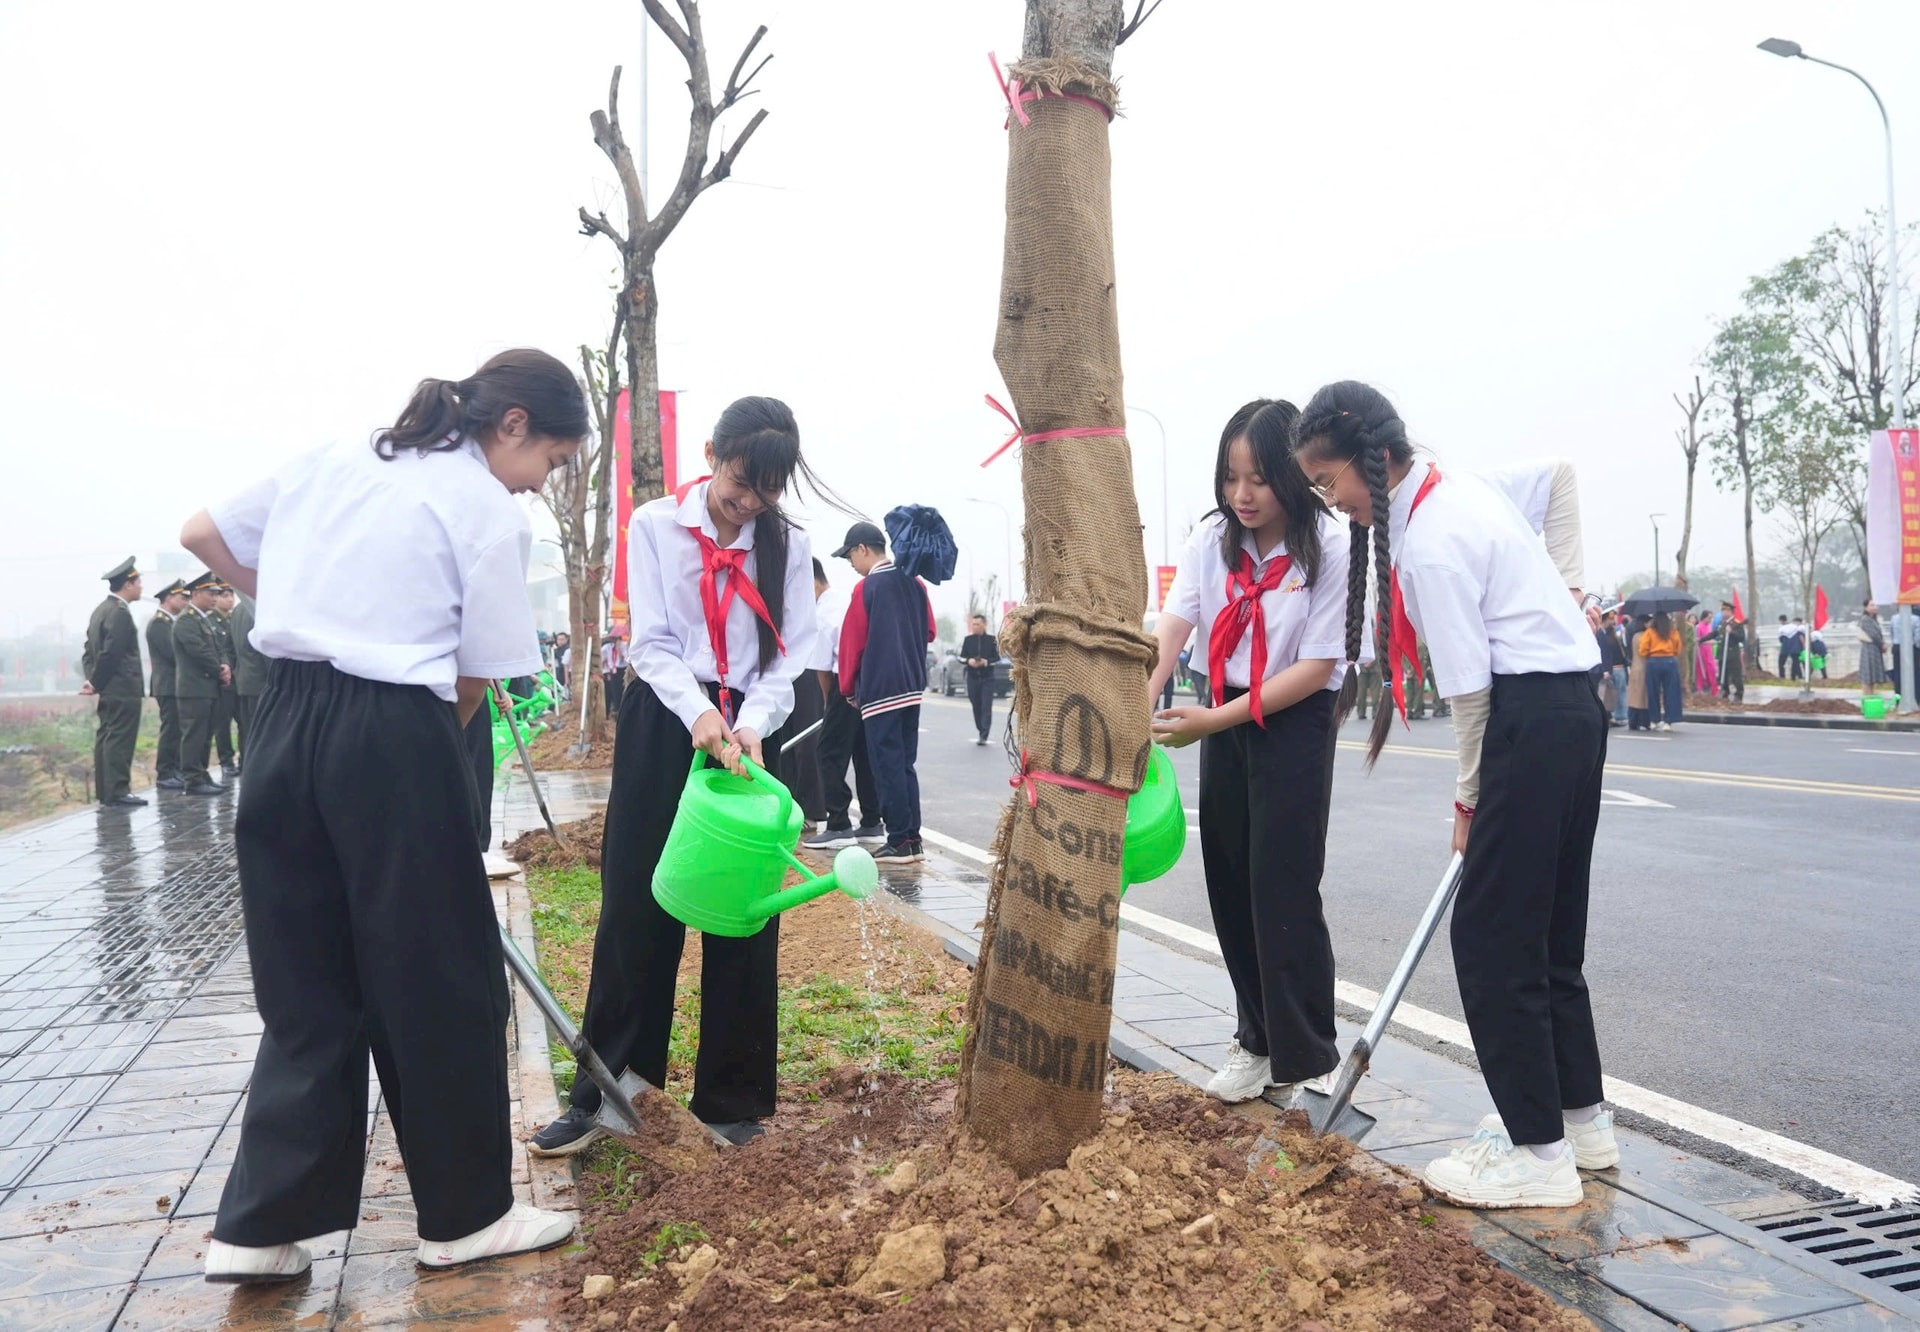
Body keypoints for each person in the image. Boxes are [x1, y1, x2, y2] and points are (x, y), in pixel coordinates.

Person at [179, 348, 585, 1281]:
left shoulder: (342, 452)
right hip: (394, 729)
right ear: (513, 423)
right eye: (551, 464)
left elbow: (202, 532)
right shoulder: (482, 507)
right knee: (437, 972)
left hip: (281, 722)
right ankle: (464, 1216)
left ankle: (258, 1229)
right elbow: (475, 677)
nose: (538, 487)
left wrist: (295, 607)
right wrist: (408, 749)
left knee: (306, 976)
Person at [1294, 380, 1609, 1211]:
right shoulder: (1461, 484)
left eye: (1331, 485)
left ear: (1374, 460)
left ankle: (1537, 1156)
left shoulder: (1429, 539)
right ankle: (1582, 1125)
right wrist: (1566, 600)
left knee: (1491, 940)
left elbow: (1471, 700)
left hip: (1528, 721)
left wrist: (1467, 808)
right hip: (1578, 705)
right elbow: (1562, 474)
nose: (1336, 505)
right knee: (1546, 937)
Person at [532, 396, 827, 1159]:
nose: (748, 501)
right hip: (668, 719)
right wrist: (698, 715)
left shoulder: (788, 544)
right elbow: (653, 639)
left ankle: (733, 1103)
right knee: (638, 902)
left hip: (755, 731)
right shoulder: (655, 525)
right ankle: (612, 1094)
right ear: (710, 454)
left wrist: (752, 724)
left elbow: (789, 654)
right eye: (739, 481)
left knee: (745, 908)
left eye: (765, 490)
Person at [1149, 398, 1354, 1105]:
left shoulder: (1329, 543)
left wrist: (1210, 720)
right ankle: (1257, 1041)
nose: (1243, 495)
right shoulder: (1214, 539)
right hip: (1224, 713)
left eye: (1260, 479)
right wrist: (1144, 693)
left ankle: (1309, 1050)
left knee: (1284, 885)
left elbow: (1318, 668)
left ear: (1294, 477)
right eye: (1232, 477)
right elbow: (1177, 625)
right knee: (1230, 879)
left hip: (1293, 718)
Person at [836, 520, 935, 865]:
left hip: (880, 690)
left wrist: (848, 687)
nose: (850, 563)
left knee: (886, 765)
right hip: (911, 685)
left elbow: (851, 645)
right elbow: (931, 631)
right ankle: (912, 837)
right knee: (905, 763)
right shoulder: (916, 582)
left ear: (863, 549)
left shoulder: (867, 589)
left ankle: (898, 840)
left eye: (850, 556)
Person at [804, 560, 884, 850]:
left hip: (843, 683)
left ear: (811, 583)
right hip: (865, 684)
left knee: (828, 753)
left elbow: (824, 669)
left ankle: (838, 823)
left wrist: (830, 703)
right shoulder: (842, 600)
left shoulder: (823, 613)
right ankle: (872, 822)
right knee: (863, 753)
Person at [82, 557, 147, 807]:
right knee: (120, 738)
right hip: (122, 688)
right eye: (138, 582)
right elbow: (111, 652)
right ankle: (118, 790)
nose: (141, 587)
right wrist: (97, 681)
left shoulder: (101, 610)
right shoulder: (119, 613)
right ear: (128, 584)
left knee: (107, 737)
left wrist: (94, 680)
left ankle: (106, 791)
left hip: (110, 687)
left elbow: (89, 651)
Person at [173, 571, 229, 795]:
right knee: (194, 735)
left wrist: (224, 665)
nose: (214, 598)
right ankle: (193, 779)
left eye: (216, 593)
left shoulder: (202, 620)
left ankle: (202, 773)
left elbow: (218, 649)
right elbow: (199, 652)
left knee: (206, 735)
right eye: (210, 593)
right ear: (195, 593)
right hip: (193, 689)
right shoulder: (186, 621)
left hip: (207, 687)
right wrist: (219, 670)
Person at [148, 578, 188, 789]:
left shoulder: (171, 622)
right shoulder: (159, 624)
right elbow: (172, 654)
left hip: (176, 684)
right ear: (169, 598)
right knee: (170, 729)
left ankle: (176, 770)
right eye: (182, 598)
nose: (185, 602)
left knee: (178, 729)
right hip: (167, 684)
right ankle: (165, 772)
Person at [229, 590, 269, 767]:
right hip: (261, 680)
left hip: (244, 680)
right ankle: (257, 767)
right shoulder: (259, 609)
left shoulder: (238, 610)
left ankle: (247, 765)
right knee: (261, 730)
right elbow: (265, 650)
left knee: (247, 729)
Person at [210, 584, 241, 776]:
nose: (230, 599)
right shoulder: (210, 621)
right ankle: (226, 760)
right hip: (222, 681)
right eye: (225, 595)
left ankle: (243, 756)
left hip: (239, 678)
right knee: (223, 723)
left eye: (231, 595)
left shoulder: (234, 619)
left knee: (243, 722)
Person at [1638, 612, 1684, 731]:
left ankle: (1654, 720)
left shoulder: (1650, 632)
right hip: (1670, 661)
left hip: (1654, 661)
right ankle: (1668, 721)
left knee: (1653, 692)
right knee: (1671, 692)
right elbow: (1678, 649)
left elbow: (1642, 650)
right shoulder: (1673, 632)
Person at [959, 613, 1000, 745]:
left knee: (986, 707)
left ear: (984, 625)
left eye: (977, 624)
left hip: (987, 678)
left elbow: (997, 658)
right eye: (973, 624)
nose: (975, 627)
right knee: (976, 705)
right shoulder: (968, 640)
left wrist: (985, 662)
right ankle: (980, 728)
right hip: (972, 678)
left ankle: (984, 734)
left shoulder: (991, 640)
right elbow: (961, 657)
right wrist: (968, 661)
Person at [1595, 610, 1627, 727]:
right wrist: (1605, 670)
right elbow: (1602, 653)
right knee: (1605, 694)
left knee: (1609, 694)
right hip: (1603, 670)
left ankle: (1610, 716)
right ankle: (1607, 717)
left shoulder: (1606, 633)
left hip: (1609, 668)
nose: (1613, 622)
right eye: (1611, 619)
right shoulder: (1599, 633)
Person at [1625, 613, 1651, 731]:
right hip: (1644, 667)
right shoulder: (1646, 636)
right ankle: (1643, 721)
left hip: (1635, 666)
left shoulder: (1635, 635)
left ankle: (1633, 720)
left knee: (1634, 697)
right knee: (1643, 698)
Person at [1717, 603, 1747, 703]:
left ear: (1730, 612)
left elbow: (1741, 637)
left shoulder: (1736, 623)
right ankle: (1725, 691)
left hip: (1732, 653)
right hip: (1723, 653)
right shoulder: (1722, 623)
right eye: (1722, 611)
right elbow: (1715, 633)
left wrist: (1732, 632)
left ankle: (1739, 693)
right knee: (1723, 674)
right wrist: (1701, 640)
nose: (1723, 613)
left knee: (1735, 675)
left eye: (1725, 611)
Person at [1859, 600, 1889, 692]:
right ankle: (1867, 698)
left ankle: (1871, 696)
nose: (1875, 607)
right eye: (1872, 605)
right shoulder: (1866, 619)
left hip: (1875, 649)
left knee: (1872, 676)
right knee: (1868, 676)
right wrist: (1882, 644)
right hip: (1869, 649)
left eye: (1876, 605)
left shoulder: (1873, 619)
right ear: (1866, 607)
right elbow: (1874, 635)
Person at [600, 626, 627, 715]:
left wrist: (619, 648)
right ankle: (615, 709)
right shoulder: (607, 647)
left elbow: (623, 658)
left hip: (622, 669)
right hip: (612, 671)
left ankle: (621, 709)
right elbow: (602, 659)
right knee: (614, 691)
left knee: (622, 690)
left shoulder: (624, 645)